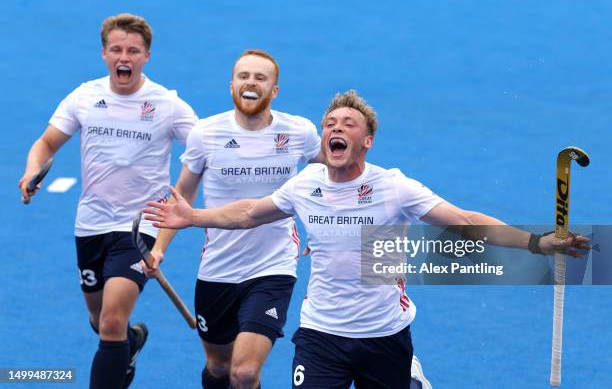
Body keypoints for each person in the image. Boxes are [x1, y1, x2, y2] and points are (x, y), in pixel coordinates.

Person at [143, 90, 589, 389]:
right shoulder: (306, 185)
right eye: (331, 122)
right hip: (320, 334)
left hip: (384, 334)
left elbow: (462, 219)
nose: (337, 128)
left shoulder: (393, 186)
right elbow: (247, 213)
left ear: (368, 140)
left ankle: (412, 375)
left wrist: (536, 243)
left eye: (349, 124)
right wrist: (191, 215)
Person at [18, 13, 198, 389]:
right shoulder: (85, 96)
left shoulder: (167, 104)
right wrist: (31, 170)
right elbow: (46, 143)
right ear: (104, 53)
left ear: (147, 56)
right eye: (116, 49)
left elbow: (204, 148)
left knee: (112, 320)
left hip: (138, 225)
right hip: (91, 223)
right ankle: (130, 344)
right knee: (101, 321)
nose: (124, 57)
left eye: (133, 50)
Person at [143, 49, 322, 389]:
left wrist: (322, 227)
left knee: (244, 373)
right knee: (219, 367)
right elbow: (181, 198)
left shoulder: (299, 132)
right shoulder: (206, 134)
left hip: (274, 266)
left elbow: (330, 178)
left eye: (260, 77)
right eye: (243, 76)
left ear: (274, 90)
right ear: (231, 86)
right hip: (218, 269)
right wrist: (158, 249)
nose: (250, 83)